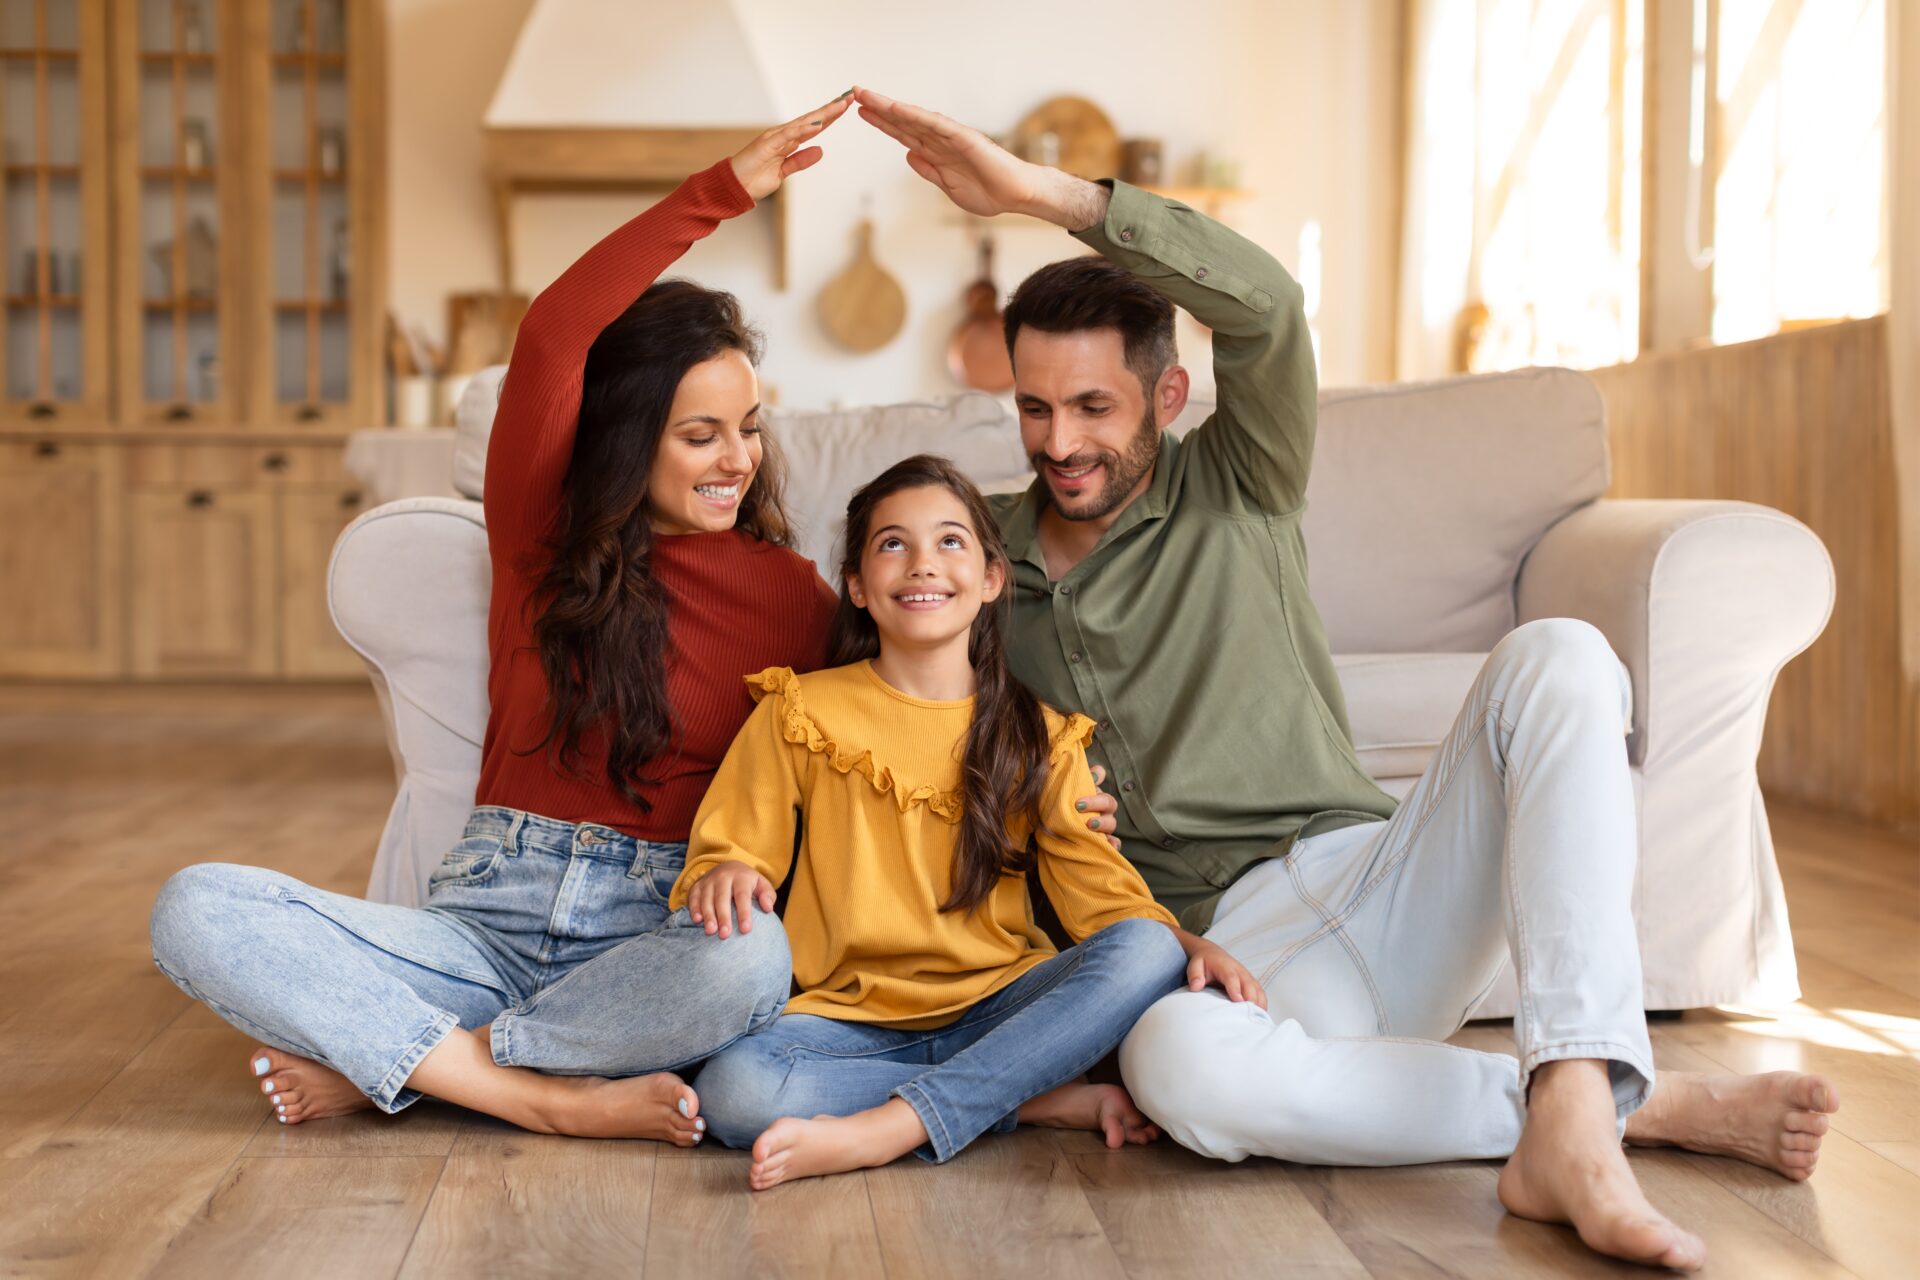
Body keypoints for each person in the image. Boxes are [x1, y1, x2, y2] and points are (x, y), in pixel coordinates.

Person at [853, 88, 1838, 1270]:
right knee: (1180, 1069)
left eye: (1093, 408)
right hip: (1229, 956)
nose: (1060, 441)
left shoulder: (1241, 477)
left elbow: (1265, 304)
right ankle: (1602, 1114)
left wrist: (1041, 195)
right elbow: (894, 735)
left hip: (1379, 874)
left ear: (1167, 399)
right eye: (1034, 409)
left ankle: (1579, 1087)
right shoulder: (964, 564)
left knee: (1564, 656)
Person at [145, 94, 862, 1143]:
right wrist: (720, 192)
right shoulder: (544, 536)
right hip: (484, 917)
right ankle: (532, 1091)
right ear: (629, 441)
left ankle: (425, 1063)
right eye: (698, 434)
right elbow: (556, 330)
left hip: (658, 926)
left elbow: (904, 712)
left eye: (747, 429)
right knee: (194, 905)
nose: (736, 459)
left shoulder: (794, 596)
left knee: (752, 959)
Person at [672, 455, 1261, 1189]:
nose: (922, 564)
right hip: (846, 1025)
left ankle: (894, 1128)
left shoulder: (1041, 735)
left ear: (989, 579)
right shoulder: (799, 711)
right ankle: (1021, 1098)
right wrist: (729, 869)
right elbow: (733, 847)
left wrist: (1185, 941)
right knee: (734, 1093)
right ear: (856, 584)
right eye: (892, 544)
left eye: (949, 542)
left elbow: (1104, 900)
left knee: (1145, 951)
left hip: (1001, 1007)